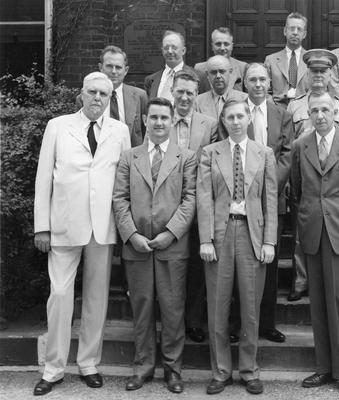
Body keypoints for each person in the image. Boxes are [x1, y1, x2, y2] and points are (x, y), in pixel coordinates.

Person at [33, 72, 130, 396]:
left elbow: (125, 182)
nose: (98, 98)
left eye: (104, 93)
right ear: (82, 93)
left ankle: (89, 363)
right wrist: (42, 226)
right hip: (63, 225)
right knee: (59, 296)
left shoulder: (120, 130)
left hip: (103, 228)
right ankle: (53, 368)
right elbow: (43, 178)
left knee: (96, 298)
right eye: (92, 92)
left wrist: (124, 225)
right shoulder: (58, 126)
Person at [112, 97, 197, 393]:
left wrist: (171, 233)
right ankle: (143, 366)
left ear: (172, 121)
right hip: (136, 246)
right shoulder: (129, 157)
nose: (159, 123)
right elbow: (119, 199)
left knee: (173, 309)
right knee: (142, 307)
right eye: (153, 118)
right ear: (145, 121)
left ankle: (173, 369)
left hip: (171, 246)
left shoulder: (185, 157)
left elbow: (190, 200)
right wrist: (131, 234)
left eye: (164, 118)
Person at [291, 91, 339, 399]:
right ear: (308, 114)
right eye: (314, 110)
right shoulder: (300, 145)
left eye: (325, 110)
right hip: (313, 231)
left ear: (336, 114)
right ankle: (324, 366)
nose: (320, 115)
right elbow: (298, 191)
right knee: (318, 302)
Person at [197, 100, 278, 395]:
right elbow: (203, 198)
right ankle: (220, 371)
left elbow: (270, 199)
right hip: (220, 233)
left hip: (251, 233)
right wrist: (205, 239)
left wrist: (269, 241)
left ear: (248, 118)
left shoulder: (264, 153)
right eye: (230, 116)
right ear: (223, 120)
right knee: (217, 307)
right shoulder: (210, 153)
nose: (235, 121)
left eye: (240, 116)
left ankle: (249, 369)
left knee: (250, 307)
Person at [227, 63, 293, 343]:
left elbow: (288, 152)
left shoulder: (282, 113)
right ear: (245, 84)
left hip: (271, 199)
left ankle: (266, 324)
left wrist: (269, 185)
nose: (257, 84)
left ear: (270, 83)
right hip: (240, 200)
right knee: (237, 263)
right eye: (252, 79)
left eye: (262, 79)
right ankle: (236, 324)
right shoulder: (236, 113)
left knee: (269, 262)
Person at [286, 49, 339, 302]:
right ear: (307, 73)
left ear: (330, 74)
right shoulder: (295, 105)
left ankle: (325, 281)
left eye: (323, 71)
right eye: (313, 71)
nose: (318, 76)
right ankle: (301, 280)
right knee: (302, 234)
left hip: (334, 181)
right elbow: (290, 145)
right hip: (305, 176)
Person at [169, 71, 219, 344]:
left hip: (199, 202)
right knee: (173, 267)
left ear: (196, 95)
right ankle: (171, 320)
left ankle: (194, 321)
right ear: (172, 92)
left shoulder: (208, 124)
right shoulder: (162, 120)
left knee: (197, 270)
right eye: (180, 92)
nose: (185, 97)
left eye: (190, 92)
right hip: (168, 204)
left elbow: (211, 164)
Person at [76, 46, 148, 146]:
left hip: (130, 157)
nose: (114, 71)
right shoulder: (84, 98)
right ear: (101, 67)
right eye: (109, 66)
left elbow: (146, 132)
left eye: (118, 67)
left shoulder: (140, 96)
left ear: (126, 70)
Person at [264, 12, 310, 108]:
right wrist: (274, 107)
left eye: (299, 29)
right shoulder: (271, 60)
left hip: (305, 110)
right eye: (292, 28)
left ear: (304, 34)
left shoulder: (311, 59)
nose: (295, 32)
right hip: (277, 109)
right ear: (285, 31)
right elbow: (265, 90)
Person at [144, 30, 200, 103]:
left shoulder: (199, 77)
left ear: (183, 50)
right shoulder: (150, 80)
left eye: (174, 48)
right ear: (162, 51)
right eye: (166, 48)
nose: (170, 51)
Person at [193, 55, 248, 120]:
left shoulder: (244, 99)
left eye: (222, 71)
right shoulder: (197, 102)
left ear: (230, 72)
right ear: (207, 75)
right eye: (213, 72)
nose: (218, 76)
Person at [195, 27, 248, 92]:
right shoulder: (199, 68)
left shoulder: (242, 68)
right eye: (218, 44)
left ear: (231, 46)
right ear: (212, 46)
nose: (222, 48)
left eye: (226, 44)